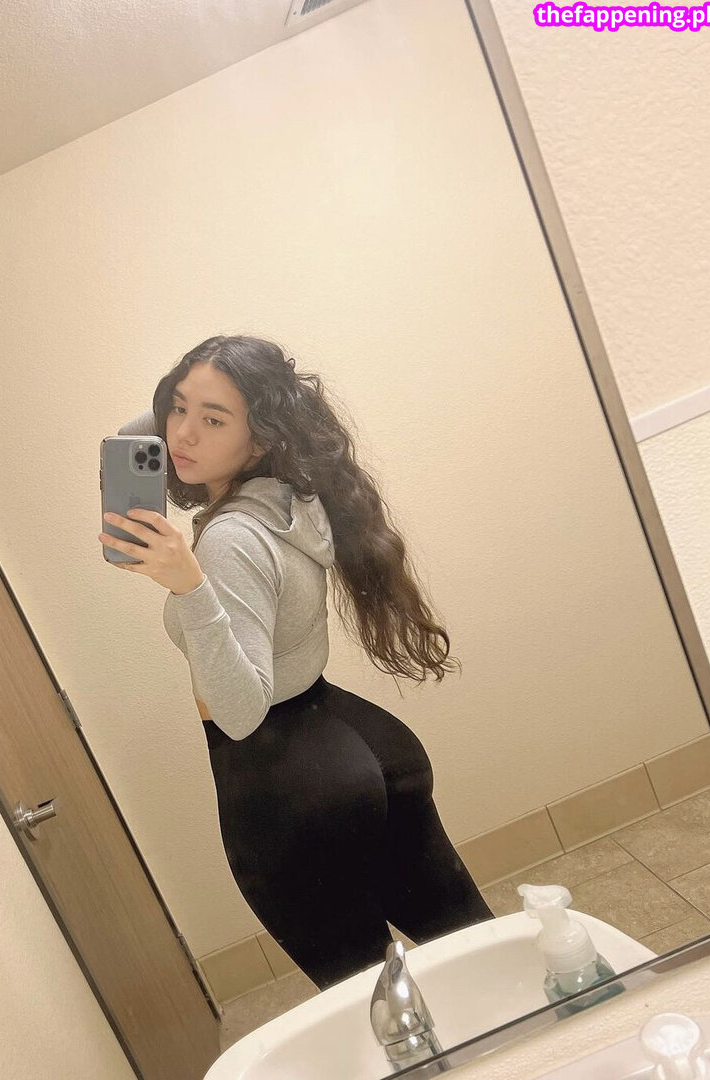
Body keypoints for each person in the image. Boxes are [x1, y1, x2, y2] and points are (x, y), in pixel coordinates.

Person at [100, 335, 493, 990]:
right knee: (476, 949)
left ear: (260, 439)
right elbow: (146, 433)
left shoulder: (229, 540)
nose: (181, 434)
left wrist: (189, 586)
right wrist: (190, 405)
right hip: (354, 741)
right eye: (177, 407)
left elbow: (240, 711)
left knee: (374, 1001)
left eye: (213, 419)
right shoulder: (288, 493)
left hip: (288, 785)